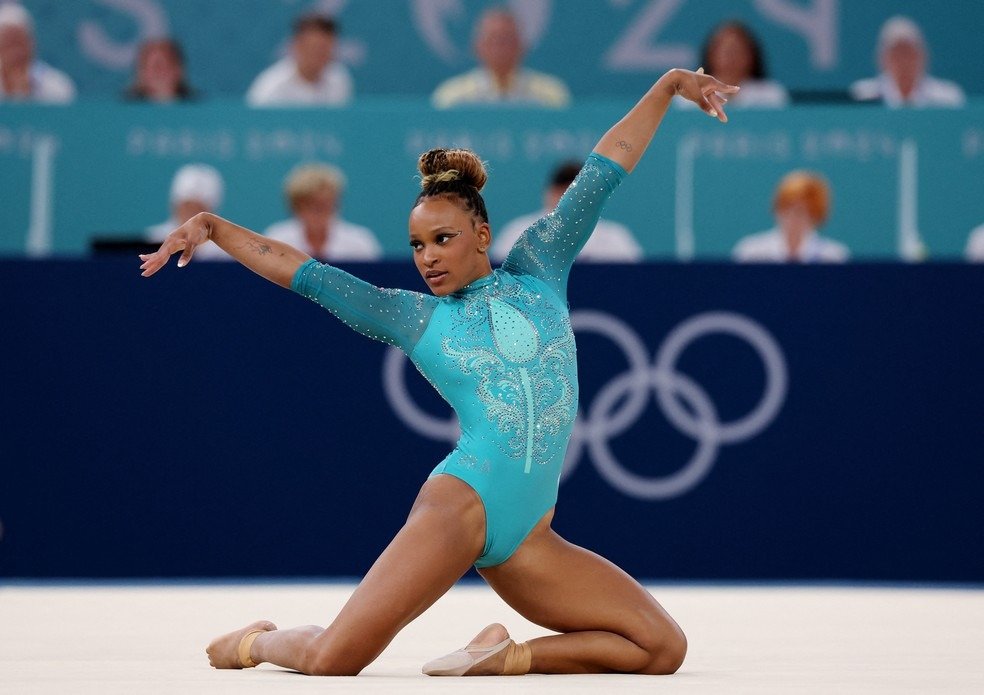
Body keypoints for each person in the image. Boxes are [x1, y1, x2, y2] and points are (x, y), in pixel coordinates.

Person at [139, 66, 739, 678]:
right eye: (417, 245)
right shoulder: (415, 317)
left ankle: (505, 655)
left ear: (482, 234)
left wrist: (667, 87)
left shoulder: (539, 265)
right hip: (461, 505)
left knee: (661, 648)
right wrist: (214, 228)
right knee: (331, 660)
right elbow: (306, 274)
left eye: (442, 239)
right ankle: (258, 642)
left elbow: (605, 169)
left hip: (530, 536)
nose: (427, 258)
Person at [491, 160, 642, 262]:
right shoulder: (517, 232)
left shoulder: (615, 237)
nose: (569, 202)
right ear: (548, 193)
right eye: (562, 192)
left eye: (577, 195)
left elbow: (635, 279)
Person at [431, 8, 570, 109]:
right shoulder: (452, 97)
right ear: (477, 47)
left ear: (522, 46)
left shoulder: (551, 95)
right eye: (493, 40)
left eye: (507, 39)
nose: (500, 47)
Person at [264, 163, 381, 261]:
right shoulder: (277, 238)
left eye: (326, 205)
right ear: (296, 207)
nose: (320, 212)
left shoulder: (360, 242)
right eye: (312, 206)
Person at [733, 170, 848, 263]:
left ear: (816, 216)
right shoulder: (751, 252)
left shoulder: (833, 257)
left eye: (801, 212)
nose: (791, 217)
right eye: (786, 208)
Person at [849, 16, 965, 108]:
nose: (903, 60)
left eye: (908, 52)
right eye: (896, 53)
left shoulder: (947, 98)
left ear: (922, 56)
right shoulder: (862, 96)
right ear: (883, 58)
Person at [246, 13, 352, 107]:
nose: (319, 55)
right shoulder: (271, 88)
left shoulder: (340, 79)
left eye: (325, 49)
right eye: (314, 48)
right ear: (296, 46)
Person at [687, 20, 788, 109]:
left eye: (738, 51)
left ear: (752, 55)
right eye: (726, 52)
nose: (732, 57)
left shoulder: (771, 94)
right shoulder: (691, 94)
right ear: (710, 54)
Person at [147, 164, 229, 261]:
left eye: (199, 208)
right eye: (187, 206)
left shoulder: (225, 252)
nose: (192, 215)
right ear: (175, 205)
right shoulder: (152, 240)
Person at [0, 3, 75, 103]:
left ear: (31, 43)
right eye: (8, 44)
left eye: (19, 42)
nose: (15, 52)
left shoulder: (56, 85)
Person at [124, 38, 196, 102]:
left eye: (165, 65)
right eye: (153, 67)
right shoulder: (126, 108)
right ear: (141, 72)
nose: (158, 71)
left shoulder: (196, 106)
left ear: (177, 69)